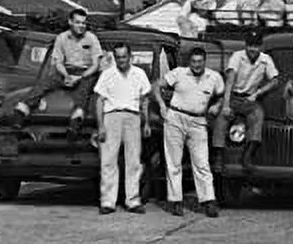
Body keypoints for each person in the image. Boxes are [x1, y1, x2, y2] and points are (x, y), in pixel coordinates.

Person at [152, 46, 225, 218]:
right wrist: (162, 105)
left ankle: (208, 200)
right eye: (193, 61)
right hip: (176, 117)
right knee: (174, 161)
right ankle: (175, 200)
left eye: (199, 61)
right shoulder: (179, 73)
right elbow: (156, 85)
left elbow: (221, 95)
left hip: (198, 121)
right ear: (189, 62)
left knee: (202, 162)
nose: (196, 65)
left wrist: (217, 105)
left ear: (205, 61)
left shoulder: (214, 77)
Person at [12, 8, 103, 133]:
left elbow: (96, 65)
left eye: (83, 23)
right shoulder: (61, 38)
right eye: (78, 22)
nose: (81, 26)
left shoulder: (92, 38)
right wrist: (66, 76)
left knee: (84, 89)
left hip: (86, 72)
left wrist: (79, 77)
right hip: (66, 70)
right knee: (44, 83)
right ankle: (22, 110)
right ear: (70, 22)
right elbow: (58, 63)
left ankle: (76, 119)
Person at [93, 43, 152, 215]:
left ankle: (132, 200)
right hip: (111, 116)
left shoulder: (139, 74)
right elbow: (99, 101)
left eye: (124, 57)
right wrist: (100, 126)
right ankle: (107, 201)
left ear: (130, 57)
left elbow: (145, 100)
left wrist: (146, 123)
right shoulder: (107, 74)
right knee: (108, 160)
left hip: (133, 117)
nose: (121, 60)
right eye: (118, 57)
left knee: (134, 160)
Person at [212, 30, 280, 173]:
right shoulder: (237, 56)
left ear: (260, 46)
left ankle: (248, 156)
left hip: (250, 98)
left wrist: (258, 93)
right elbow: (230, 81)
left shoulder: (265, 59)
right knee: (222, 117)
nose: (252, 49)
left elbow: (275, 81)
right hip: (233, 95)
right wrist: (226, 105)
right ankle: (218, 155)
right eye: (250, 45)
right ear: (246, 45)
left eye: (256, 46)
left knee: (258, 115)